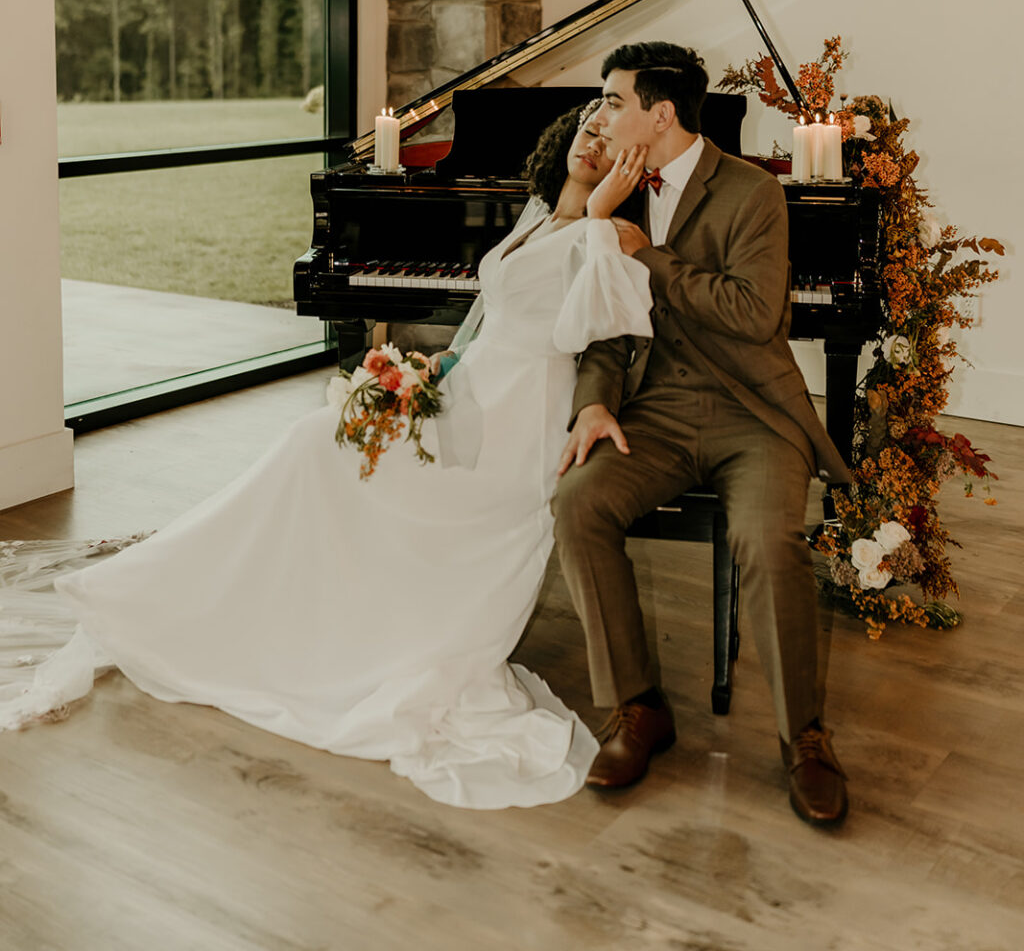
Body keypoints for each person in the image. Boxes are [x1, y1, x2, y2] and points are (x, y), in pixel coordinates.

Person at [0, 104, 654, 811]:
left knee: (320, 449)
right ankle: (240, 598)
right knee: (315, 440)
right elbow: (487, 318)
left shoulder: (616, 232)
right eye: (588, 128)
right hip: (470, 395)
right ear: (563, 138)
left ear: (633, 166)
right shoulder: (535, 214)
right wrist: (433, 370)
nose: (594, 143)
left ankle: (290, 613)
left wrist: (599, 215)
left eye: (613, 141)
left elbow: (603, 325)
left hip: (518, 429)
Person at [553, 42, 853, 827]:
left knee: (766, 539)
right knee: (578, 504)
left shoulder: (754, 192)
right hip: (656, 410)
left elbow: (754, 315)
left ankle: (804, 737)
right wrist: (592, 403)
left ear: (661, 113)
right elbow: (606, 329)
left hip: (754, 413)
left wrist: (647, 253)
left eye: (613, 101)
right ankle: (638, 707)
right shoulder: (612, 193)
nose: (601, 116)